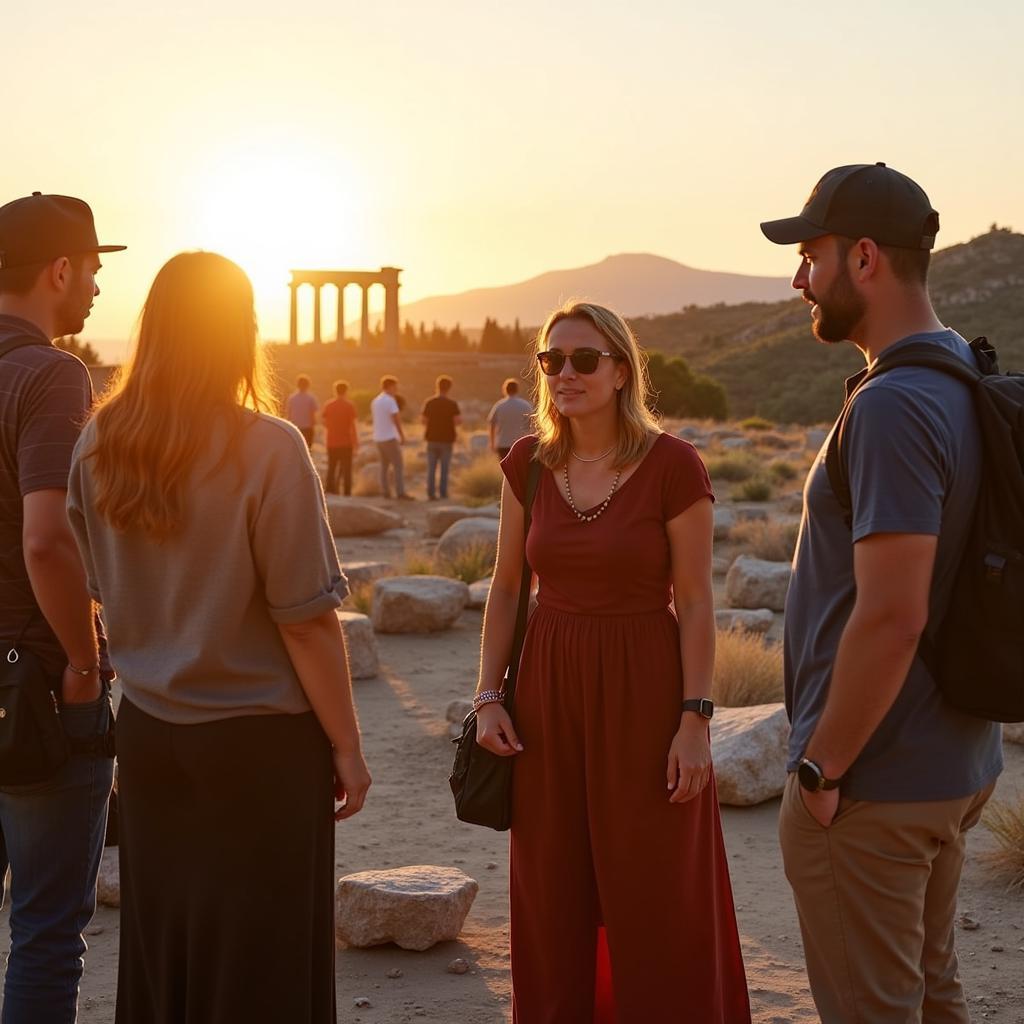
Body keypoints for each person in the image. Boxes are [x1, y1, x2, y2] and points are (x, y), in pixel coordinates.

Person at [66, 252, 371, 1024]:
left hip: (149, 735)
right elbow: (304, 619)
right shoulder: (268, 448)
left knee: (165, 941)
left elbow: (94, 583)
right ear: (242, 332)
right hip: (259, 745)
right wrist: (347, 747)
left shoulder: (98, 445)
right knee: (263, 955)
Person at [761, 163, 1003, 1023]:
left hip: (876, 781)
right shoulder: (964, 383)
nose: (798, 279)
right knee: (931, 996)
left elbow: (894, 615)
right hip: (951, 760)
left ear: (863, 259)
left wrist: (823, 765)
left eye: (810, 255)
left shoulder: (896, 406)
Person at [473, 300, 750, 1022]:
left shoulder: (673, 465)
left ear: (622, 370)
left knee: (655, 887)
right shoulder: (529, 463)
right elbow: (506, 588)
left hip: (646, 690)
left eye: (585, 359)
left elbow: (694, 603)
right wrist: (486, 697)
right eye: (552, 360)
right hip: (547, 692)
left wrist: (696, 719)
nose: (566, 373)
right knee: (554, 887)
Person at [0, 192, 121, 1024]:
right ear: (60, 269)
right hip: (34, 689)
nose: (98, 291)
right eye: (95, 270)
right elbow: (46, 539)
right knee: (46, 928)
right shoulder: (50, 372)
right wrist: (83, 660)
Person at [421, 374, 461, 500]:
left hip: (431, 439)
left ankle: (430, 494)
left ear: (437, 386)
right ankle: (443, 494)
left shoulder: (429, 402)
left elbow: (423, 420)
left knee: (431, 468)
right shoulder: (452, 404)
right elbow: (458, 421)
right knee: (444, 468)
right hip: (447, 440)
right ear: (449, 388)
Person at [370, 374, 411, 500]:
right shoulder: (390, 400)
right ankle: (400, 492)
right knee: (398, 465)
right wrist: (402, 435)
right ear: (390, 386)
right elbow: (396, 419)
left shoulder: (376, 401)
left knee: (384, 466)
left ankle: (385, 492)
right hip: (389, 437)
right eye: (395, 386)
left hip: (378, 437)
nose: (396, 389)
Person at [321, 379, 359, 496]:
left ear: (335, 391)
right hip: (346, 442)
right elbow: (353, 426)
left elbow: (324, 423)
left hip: (331, 442)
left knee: (331, 468)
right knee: (347, 469)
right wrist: (356, 442)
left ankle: (330, 490)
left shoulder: (328, 405)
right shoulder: (349, 406)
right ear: (346, 391)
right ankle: (347, 493)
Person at [488, 377, 532, 458]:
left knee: (506, 469)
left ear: (505, 390)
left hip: (503, 444)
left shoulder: (499, 406)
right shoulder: (525, 405)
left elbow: (492, 425)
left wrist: (492, 443)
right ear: (517, 390)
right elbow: (531, 426)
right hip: (520, 444)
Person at [285, 373, 318, 448]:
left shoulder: (292, 398)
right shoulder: (311, 398)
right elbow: (313, 414)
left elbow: (289, 414)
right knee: (308, 448)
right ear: (308, 385)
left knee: (296, 448)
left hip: (295, 427)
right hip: (307, 427)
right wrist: (313, 425)